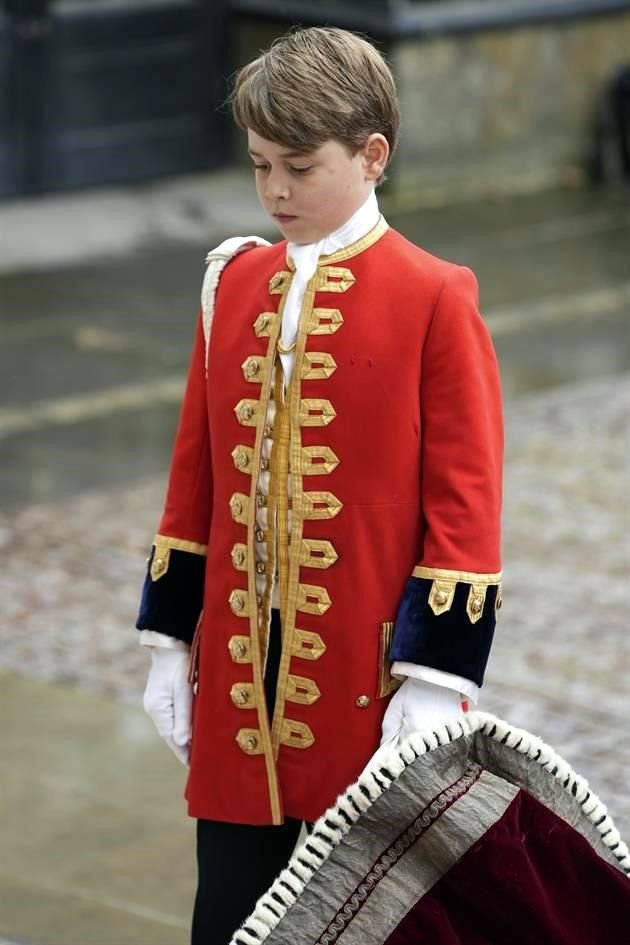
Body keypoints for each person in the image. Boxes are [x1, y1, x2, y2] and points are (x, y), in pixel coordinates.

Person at [136, 26, 503, 945]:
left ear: (373, 155)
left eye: (298, 166)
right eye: (261, 166)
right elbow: (195, 480)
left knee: (356, 920)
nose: (275, 191)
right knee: (226, 916)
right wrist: (165, 641)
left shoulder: (435, 294)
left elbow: (467, 502)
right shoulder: (231, 283)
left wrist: (434, 677)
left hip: (362, 678)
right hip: (233, 680)